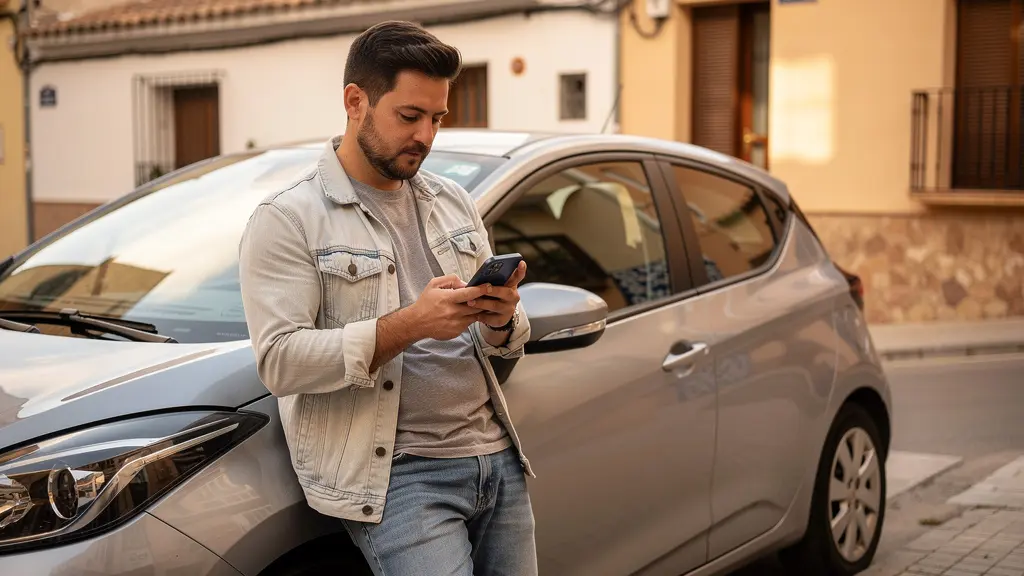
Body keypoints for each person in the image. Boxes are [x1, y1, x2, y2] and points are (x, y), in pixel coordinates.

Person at [237, 19, 537, 576]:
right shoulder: (288, 219)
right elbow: (278, 362)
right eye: (409, 116)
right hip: (400, 476)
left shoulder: (453, 201)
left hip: (497, 458)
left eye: (437, 118)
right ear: (356, 101)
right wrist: (411, 324)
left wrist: (499, 320)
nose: (426, 134)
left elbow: (500, 345)